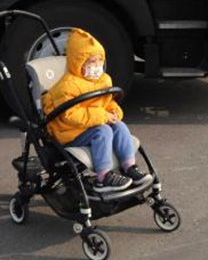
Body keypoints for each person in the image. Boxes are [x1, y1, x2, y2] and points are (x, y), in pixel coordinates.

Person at [42, 28, 151, 193]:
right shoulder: (67, 86)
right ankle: (103, 177)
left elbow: (107, 102)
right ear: (78, 62)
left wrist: (114, 112)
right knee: (103, 131)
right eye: (91, 62)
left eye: (100, 61)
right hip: (70, 133)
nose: (97, 66)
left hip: (91, 125)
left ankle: (129, 166)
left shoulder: (103, 80)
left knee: (119, 126)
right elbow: (71, 115)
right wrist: (102, 116)